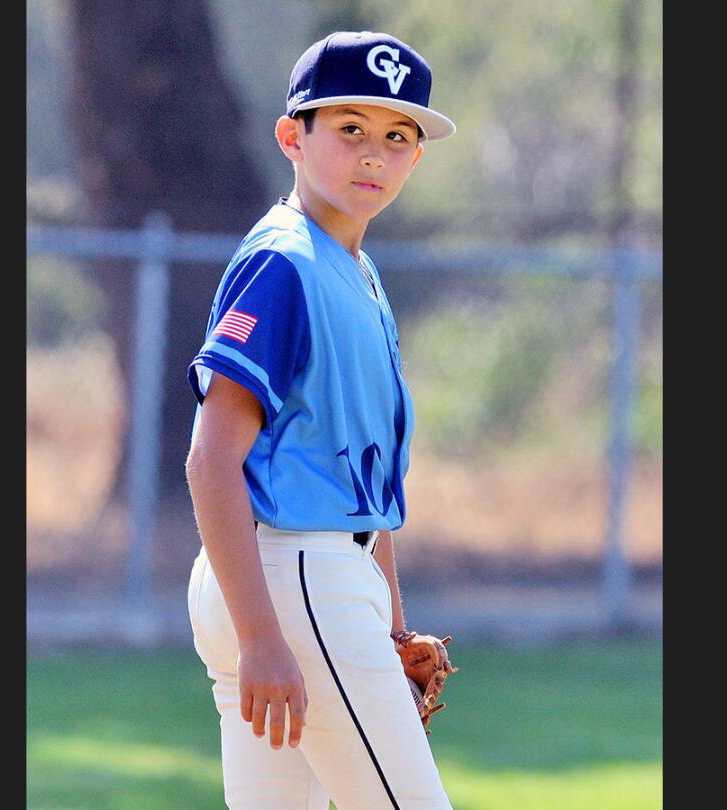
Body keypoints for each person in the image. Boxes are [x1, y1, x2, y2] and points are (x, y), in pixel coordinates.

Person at [184, 30, 457, 810]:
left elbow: (366, 480)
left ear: (415, 158)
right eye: (350, 129)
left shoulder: (355, 270)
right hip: (292, 578)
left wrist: (395, 624)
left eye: (397, 136)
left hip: (313, 577)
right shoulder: (285, 262)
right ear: (291, 136)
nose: (374, 153)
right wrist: (264, 634)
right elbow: (212, 460)